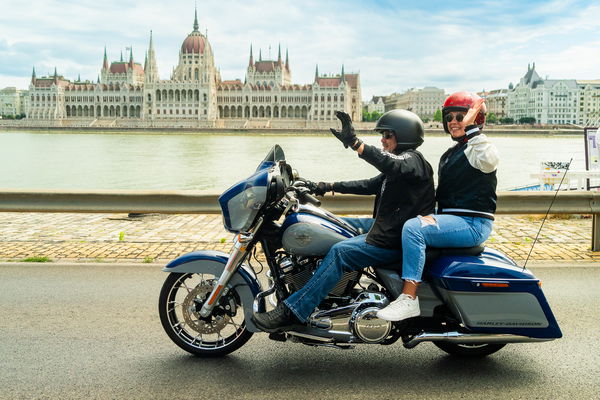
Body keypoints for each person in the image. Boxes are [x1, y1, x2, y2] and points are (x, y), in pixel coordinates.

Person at [252, 109, 435, 332]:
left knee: (341, 252)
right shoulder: (401, 168)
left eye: (387, 135)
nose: (382, 140)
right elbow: (368, 185)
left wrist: (356, 143)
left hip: (396, 239)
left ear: (403, 136)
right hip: (387, 227)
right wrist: (325, 186)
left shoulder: (412, 161)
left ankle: (295, 311)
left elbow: (389, 163)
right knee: (332, 225)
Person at [376, 92, 500, 322]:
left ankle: (408, 298)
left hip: (472, 224)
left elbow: (489, 160)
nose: (453, 121)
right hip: (453, 220)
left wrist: (472, 128)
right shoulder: (452, 153)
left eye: (460, 116)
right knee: (406, 224)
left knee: (414, 229)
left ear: (476, 120)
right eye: (450, 117)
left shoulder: (479, 147)